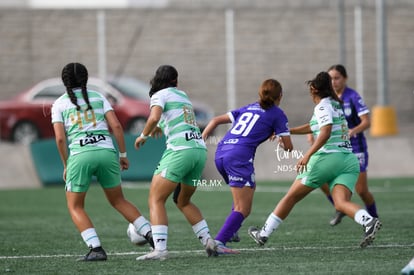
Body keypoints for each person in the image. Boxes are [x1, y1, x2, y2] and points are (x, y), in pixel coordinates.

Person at [248, 71, 382, 248]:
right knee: (341, 203)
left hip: (327, 159)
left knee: (290, 198)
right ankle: (368, 221)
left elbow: (325, 132)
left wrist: (307, 155)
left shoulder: (322, 107)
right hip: (348, 161)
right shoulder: (335, 104)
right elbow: (313, 127)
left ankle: (263, 234)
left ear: (313, 89)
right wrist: (286, 132)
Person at [51, 62, 153, 261]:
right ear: (86, 79)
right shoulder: (99, 97)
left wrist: (66, 164)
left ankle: (96, 248)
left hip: (80, 156)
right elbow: (116, 126)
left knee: (76, 206)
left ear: (64, 82)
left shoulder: (59, 103)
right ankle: (153, 236)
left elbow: (60, 138)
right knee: (118, 200)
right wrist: (123, 155)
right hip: (106, 152)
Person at [133, 64, 216, 260]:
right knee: (183, 200)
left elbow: (154, 117)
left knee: (155, 198)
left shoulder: (159, 95)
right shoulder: (182, 95)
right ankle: (208, 241)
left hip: (180, 151)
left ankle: (160, 250)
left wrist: (143, 135)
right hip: (199, 151)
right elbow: (172, 118)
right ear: (176, 81)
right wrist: (160, 125)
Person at [201, 79, 293, 254]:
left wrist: (200, 142)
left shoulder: (249, 107)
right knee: (244, 208)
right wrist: (280, 139)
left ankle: (233, 231)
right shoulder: (278, 114)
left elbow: (214, 120)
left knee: (248, 189)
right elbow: (289, 147)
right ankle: (219, 243)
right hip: (238, 157)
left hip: (221, 153)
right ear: (280, 96)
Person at [321, 64, 379, 226]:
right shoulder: (328, 100)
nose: (333, 82)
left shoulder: (353, 97)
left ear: (345, 78)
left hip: (356, 148)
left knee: (361, 190)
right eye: (330, 78)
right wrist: (313, 135)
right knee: (321, 181)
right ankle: (341, 207)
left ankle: (374, 217)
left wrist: (353, 131)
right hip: (336, 149)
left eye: (337, 78)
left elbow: (366, 121)